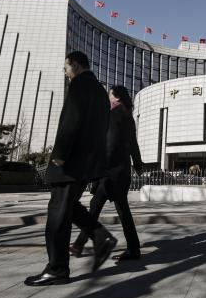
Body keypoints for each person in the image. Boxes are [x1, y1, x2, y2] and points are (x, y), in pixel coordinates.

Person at [25, 51, 117, 286]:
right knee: (69, 207)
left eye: (66, 67)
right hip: (87, 163)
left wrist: (60, 155)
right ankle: (100, 236)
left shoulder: (79, 85)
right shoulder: (99, 90)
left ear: (75, 65)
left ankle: (57, 269)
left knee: (57, 214)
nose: (65, 73)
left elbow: (71, 120)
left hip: (71, 161)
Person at [70, 85, 145, 261]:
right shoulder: (129, 117)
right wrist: (138, 165)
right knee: (117, 210)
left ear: (116, 98)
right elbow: (134, 145)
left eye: (110, 95)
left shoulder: (113, 114)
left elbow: (109, 145)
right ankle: (132, 249)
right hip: (123, 172)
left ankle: (80, 244)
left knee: (97, 206)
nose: (108, 98)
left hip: (110, 172)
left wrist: (98, 169)